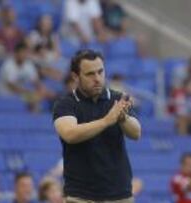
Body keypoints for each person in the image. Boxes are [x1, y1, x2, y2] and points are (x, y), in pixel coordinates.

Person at [52, 49, 141, 203]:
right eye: (90, 74)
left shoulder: (117, 98)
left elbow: (136, 133)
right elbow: (70, 134)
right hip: (81, 196)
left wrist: (122, 118)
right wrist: (106, 120)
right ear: (75, 76)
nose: (97, 78)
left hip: (120, 194)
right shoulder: (66, 104)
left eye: (100, 72)